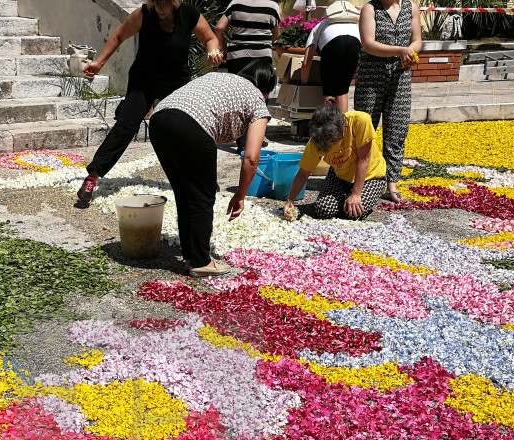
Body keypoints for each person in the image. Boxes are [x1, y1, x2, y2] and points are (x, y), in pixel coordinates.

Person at [76, 0, 222, 207]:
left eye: (164, 7)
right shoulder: (143, 14)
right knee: (126, 126)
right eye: (157, 7)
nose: (160, 12)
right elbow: (118, 36)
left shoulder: (188, 14)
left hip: (176, 82)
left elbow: (209, 38)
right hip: (143, 81)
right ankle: (93, 177)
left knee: (188, 128)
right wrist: (99, 62)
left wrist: (212, 50)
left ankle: (201, 179)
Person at [148, 60, 276, 277]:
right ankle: (201, 261)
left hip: (159, 120)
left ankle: (191, 255)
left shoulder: (217, 77)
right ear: (266, 90)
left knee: (185, 191)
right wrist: (240, 195)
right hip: (192, 125)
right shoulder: (256, 99)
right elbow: (252, 157)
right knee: (202, 196)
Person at [353, 0, 421, 204]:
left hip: (399, 77)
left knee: (397, 130)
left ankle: (391, 183)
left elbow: (417, 40)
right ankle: (360, 180)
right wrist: (399, 50)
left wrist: (410, 51)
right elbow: (368, 44)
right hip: (371, 77)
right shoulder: (370, 8)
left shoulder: (411, 8)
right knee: (365, 129)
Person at [281, 101, 386, 221]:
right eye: (328, 142)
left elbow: (364, 159)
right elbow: (304, 173)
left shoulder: (360, 121)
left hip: (370, 175)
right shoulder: (318, 141)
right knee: (323, 209)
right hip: (340, 176)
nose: (333, 144)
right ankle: (345, 197)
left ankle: (353, 196)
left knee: (354, 212)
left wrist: (356, 194)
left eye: (335, 139)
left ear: (343, 124)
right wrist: (291, 200)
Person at [303, 1, 362, 112]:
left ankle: (328, 125)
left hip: (333, 44)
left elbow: (307, 61)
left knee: (329, 90)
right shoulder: (355, 25)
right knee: (342, 90)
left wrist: (304, 83)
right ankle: (342, 126)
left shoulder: (321, 25)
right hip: (355, 42)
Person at [214, 0, 282, 75]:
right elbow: (276, 34)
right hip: (262, 57)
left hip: (237, 56)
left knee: (237, 85)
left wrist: (223, 47)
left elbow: (219, 28)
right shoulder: (273, 6)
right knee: (260, 86)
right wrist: (262, 45)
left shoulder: (236, 3)